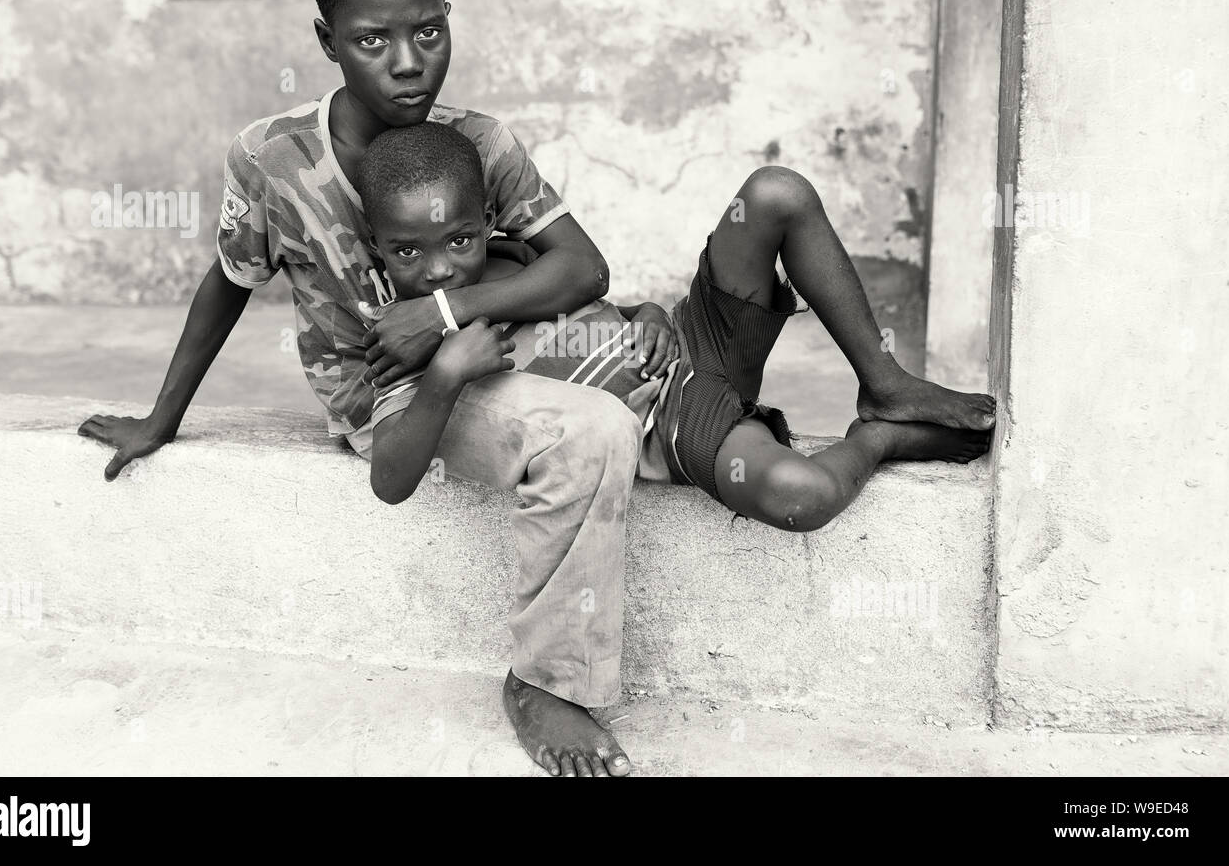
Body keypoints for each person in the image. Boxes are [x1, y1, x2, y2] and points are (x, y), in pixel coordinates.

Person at [77, 0, 660, 776]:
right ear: (327, 42)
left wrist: (449, 309)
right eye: (371, 40)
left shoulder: (478, 143)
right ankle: (546, 682)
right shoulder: (272, 158)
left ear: (448, 17)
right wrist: (163, 419)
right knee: (594, 433)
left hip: (488, 354)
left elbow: (580, 264)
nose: (408, 62)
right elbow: (228, 281)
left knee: (641, 356)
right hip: (393, 402)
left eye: (427, 31)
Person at [351, 122, 995, 776]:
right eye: (407, 252)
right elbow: (391, 475)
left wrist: (646, 315)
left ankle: (885, 387)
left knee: (777, 192)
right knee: (805, 497)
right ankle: (879, 437)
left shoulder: (517, 261)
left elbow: (591, 307)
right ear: (376, 246)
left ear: (489, 219)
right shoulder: (406, 339)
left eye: (458, 240)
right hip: (675, 418)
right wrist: (445, 374)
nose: (436, 270)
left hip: (691, 343)